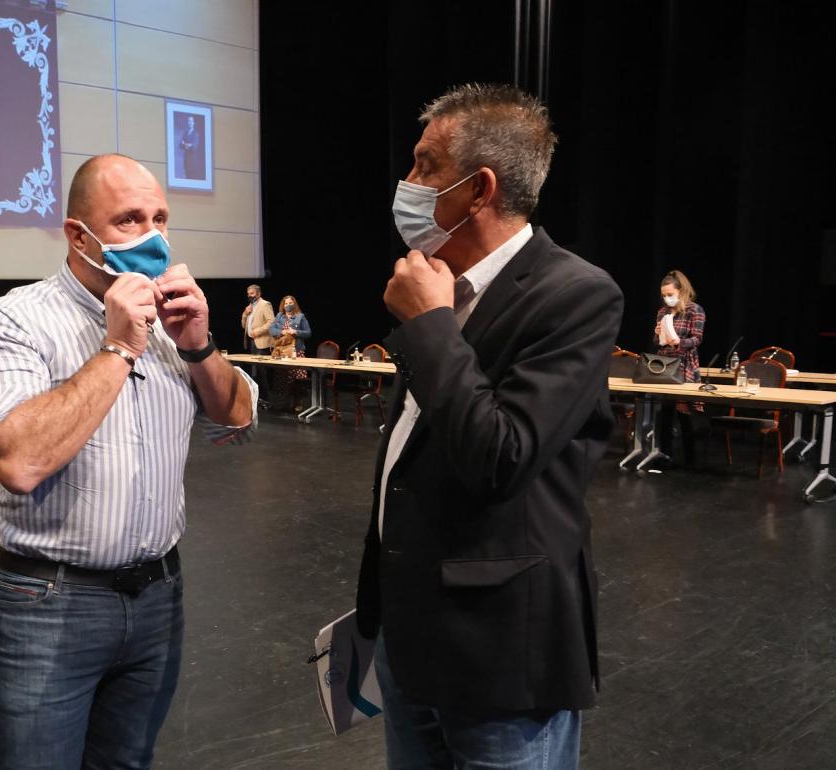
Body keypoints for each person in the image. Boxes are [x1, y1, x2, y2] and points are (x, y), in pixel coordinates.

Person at [0, 153, 258, 769]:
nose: (151, 237)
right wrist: (120, 346)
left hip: (158, 599)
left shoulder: (173, 322)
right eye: (129, 220)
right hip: (47, 603)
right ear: (78, 236)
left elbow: (238, 417)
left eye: (160, 219)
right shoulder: (12, 321)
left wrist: (199, 346)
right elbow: (17, 461)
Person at [355, 83, 623, 769]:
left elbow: (501, 457)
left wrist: (431, 327)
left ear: (479, 190)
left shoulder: (575, 294)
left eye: (423, 165)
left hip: (500, 656)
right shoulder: (440, 282)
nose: (406, 184)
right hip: (407, 635)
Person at [653, 269, 706, 466]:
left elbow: (697, 339)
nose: (667, 299)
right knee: (665, 414)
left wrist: (678, 342)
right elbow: (658, 342)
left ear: (681, 291)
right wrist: (658, 333)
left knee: (684, 414)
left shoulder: (694, 310)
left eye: (670, 295)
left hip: (684, 364)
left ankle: (690, 460)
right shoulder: (662, 312)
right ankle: (664, 456)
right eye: (664, 295)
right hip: (665, 363)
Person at [268, 294, 312, 411]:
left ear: (294, 304)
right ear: (283, 305)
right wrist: (281, 331)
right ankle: (285, 402)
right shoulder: (279, 316)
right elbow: (271, 330)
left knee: (298, 378)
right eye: (286, 303)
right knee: (283, 377)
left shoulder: (300, 317)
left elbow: (308, 333)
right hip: (282, 352)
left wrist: (296, 332)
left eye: (290, 303)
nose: (288, 305)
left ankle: (298, 403)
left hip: (296, 351)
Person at [241, 283, 275, 404]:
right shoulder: (250, 306)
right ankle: (258, 397)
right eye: (248, 294)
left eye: (252, 293)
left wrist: (258, 331)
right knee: (254, 371)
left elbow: (272, 322)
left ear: (258, 293)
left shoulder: (265, 304)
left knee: (262, 371)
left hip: (262, 342)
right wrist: (245, 313)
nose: (249, 296)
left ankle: (267, 398)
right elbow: (244, 325)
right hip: (252, 342)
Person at [178, 114, 204, 180]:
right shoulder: (185, 132)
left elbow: (194, 146)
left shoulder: (196, 134)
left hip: (193, 159)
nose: (189, 123)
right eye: (188, 121)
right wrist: (188, 145)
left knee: (191, 176)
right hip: (186, 158)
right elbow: (181, 145)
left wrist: (185, 144)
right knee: (186, 174)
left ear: (194, 123)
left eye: (191, 121)